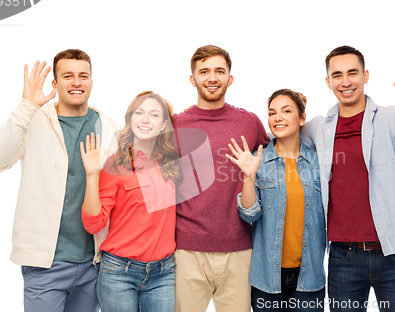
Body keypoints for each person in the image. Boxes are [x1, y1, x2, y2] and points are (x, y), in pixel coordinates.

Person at [303, 45, 395, 311]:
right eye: (337, 75)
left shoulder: (390, 117)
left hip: (393, 253)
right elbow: (283, 144)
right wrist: (290, 109)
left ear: (366, 75)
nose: (346, 81)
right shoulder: (317, 127)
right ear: (328, 82)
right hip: (342, 256)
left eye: (353, 73)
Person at [0, 49, 119, 312]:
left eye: (83, 76)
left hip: (95, 263)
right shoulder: (33, 121)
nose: (76, 82)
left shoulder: (108, 125)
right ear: (55, 84)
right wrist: (26, 107)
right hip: (45, 263)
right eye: (68, 76)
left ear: (92, 82)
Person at [173, 45, 269, 312]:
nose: (212, 78)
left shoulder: (249, 123)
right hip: (187, 250)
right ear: (193, 79)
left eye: (219, 71)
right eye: (204, 72)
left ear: (230, 78)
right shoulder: (176, 124)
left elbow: (280, 154)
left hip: (239, 249)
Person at [226, 89, 326, 312]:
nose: (277, 117)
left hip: (309, 276)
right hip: (267, 277)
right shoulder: (257, 160)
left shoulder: (319, 162)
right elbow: (249, 214)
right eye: (272, 113)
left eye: (286, 111)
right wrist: (249, 175)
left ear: (302, 119)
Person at [80, 91, 181, 312]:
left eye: (154, 115)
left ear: (164, 125)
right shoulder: (114, 164)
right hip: (119, 273)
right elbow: (93, 224)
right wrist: (92, 175)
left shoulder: (171, 165)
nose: (145, 119)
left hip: (163, 273)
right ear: (130, 119)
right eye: (139, 112)